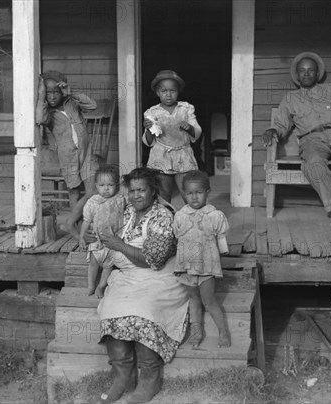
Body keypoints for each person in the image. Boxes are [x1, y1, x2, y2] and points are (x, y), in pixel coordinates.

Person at [96, 167, 189, 404]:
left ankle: (150, 378)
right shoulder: (126, 211)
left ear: (153, 191)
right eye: (132, 190)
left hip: (160, 276)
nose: (136, 195)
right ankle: (122, 377)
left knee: (144, 309)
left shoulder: (163, 215)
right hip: (129, 275)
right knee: (113, 306)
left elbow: (153, 260)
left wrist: (117, 244)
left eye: (142, 190)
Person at [263, 52, 331, 222]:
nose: (306, 73)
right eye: (302, 70)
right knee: (313, 163)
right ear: (297, 75)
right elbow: (282, 123)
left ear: (317, 74)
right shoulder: (290, 98)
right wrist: (273, 130)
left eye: (310, 70)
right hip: (311, 141)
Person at [173, 171, 231, 348]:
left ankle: (223, 332)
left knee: (209, 300)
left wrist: (222, 252)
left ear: (208, 192)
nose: (194, 197)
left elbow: (221, 237)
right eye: (189, 193)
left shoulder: (214, 215)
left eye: (199, 192)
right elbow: (177, 236)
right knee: (194, 299)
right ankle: (197, 331)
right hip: (187, 265)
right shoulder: (180, 216)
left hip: (206, 265)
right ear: (184, 194)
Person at [35, 70, 99, 211]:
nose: (52, 96)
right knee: (74, 192)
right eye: (48, 92)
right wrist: (40, 97)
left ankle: (72, 222)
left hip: (86, 154)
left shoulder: (71, 103)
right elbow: (39, 119)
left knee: (92, 191)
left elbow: (92, 105)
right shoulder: (48, 113)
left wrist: (71, 93)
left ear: (62, 91)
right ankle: (75, 225)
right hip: (68, 158)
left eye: (56, 92)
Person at [143, 70, 202, 204]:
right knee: (162, 195)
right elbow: (149, 141)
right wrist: (148, 129)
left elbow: (197, 132)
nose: (168, 95)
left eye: (172, 90)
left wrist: (190, 128)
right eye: (164, 91)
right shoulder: (152, 112)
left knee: (188, 191)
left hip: (183, 154)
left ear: (178, 91)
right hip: (161, 155)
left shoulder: (186, 108)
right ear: (157, 92)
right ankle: (165, 222)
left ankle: (190, 220)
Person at [79, 166, 126, 298]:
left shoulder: (120, 200)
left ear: (116, 186)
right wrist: (82, 237)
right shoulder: (92, 202)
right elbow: (86, 221)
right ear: (96, 186)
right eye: (102, 185)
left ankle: (101, 287)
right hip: (96, 239)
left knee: (108, 266)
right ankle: (91, 285)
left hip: (114, 240)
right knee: (93, 263)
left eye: (110, 185)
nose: (106, 189)